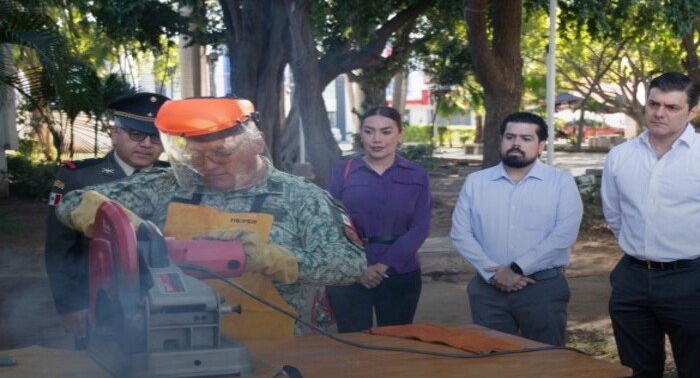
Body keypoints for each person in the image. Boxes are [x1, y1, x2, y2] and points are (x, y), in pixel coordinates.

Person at [55, 97, 366, 340]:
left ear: (256, 142)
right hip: (174, 339)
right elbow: (71, 203)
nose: (208, 166)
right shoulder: (167, 186)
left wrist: (274, 259)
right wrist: (122, 225)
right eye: (194, 156)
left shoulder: (302, 197)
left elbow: (350, 265)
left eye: (221, 153)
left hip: (276, 343)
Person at [601, 72, 700, 377]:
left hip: (691, 280)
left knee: (696, 369)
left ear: (693, 112)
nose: (659, 113)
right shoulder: (619, 156)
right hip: (632, 278)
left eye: (672, 107)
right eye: (653, 104)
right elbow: (615, 215)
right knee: (636, 370)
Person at [44, 92, 169, 348]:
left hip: (165, 296)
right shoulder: (79, 178)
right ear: (114, 134)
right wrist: (70, 305)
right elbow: (59, 247)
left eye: (156, 137)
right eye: (136, 134)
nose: (147, 144)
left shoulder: (174, 178)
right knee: (99, 361)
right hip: (99, 298)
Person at [449, 112, 583, 346]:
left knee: (546, 359)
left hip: (542, 290)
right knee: (493, 358)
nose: (516, 144)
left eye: (526, 138)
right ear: (501, 140)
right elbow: (461, 233)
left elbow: (564, 235)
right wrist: (493, 274)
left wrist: (516, 269)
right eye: (510, 137)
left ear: (541, 145)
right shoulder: (476, 182)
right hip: (488, 291)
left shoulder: (560, 182)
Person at [324, 106, 432, 333]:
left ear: (400, 134)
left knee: (396, 340)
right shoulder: (342, 171)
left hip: (400, 270)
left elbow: (420, 227)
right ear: (361, 134)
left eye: (386, 132)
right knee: (353, 341)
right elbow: (329, 223)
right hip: (350, 272)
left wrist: (385, 264)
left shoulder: (416, 173)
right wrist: (359, 268)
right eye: (369, 131)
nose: (376, 139)